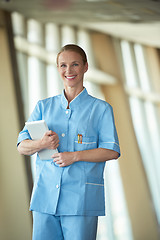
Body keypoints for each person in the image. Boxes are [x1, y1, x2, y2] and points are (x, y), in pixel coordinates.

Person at [17, 44, 120, 240]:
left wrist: (74, 156)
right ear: (57, 69)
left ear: (85, 67)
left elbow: (111, 151)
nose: (69, 71)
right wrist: (42, 144)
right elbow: (22, 146)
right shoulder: (43, 106)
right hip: (45, 200)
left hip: (81, 201)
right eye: (63, 65)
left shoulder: (101, 109)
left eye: (75, 64)